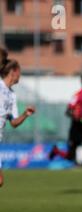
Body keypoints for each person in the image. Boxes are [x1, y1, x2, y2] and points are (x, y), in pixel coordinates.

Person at [0, 49, 36, 187]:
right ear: (13, 71)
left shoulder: (12, 95)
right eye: (19, 71)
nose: (20, 75)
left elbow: (14, 123)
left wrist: (26, 114)